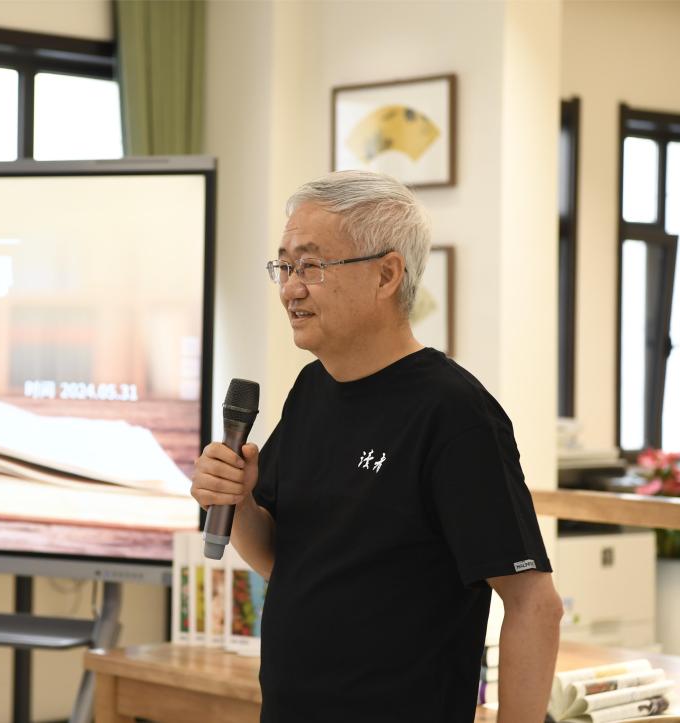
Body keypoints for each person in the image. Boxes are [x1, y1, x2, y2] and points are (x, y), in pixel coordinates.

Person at [191, 171, 563, 723]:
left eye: (311, 266)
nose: (290, 289)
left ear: (387, 274)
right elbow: (282, 563)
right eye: (284, 266)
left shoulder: (453, 413)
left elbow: (534, 603)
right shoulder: (312, 389)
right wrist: (239, 501)